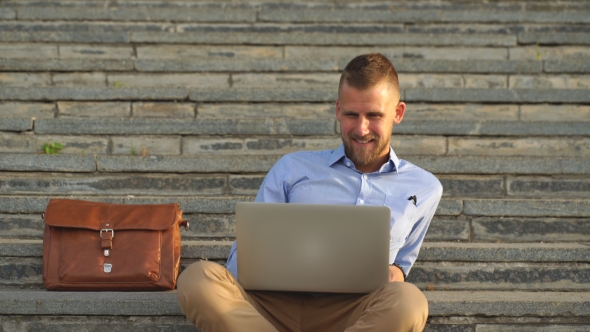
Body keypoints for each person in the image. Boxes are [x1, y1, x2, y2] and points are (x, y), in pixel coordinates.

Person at [177, 53, 443, 332]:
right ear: (338, 110)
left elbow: (402, 264)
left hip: (353, 312)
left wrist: (397, 272)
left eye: (374, 116)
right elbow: (245, 257)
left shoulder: (424, 188)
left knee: (410, 302)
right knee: (197, 278)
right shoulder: (293, 168)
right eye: (352, 114)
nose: (361, 129)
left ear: (398, 113)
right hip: (268, 307)